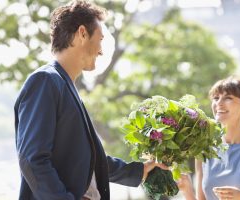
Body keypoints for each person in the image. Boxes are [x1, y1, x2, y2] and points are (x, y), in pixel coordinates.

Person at [14, 1, 167, 199]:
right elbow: (32, 159)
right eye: (100, 39)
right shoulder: (45, 81)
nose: (101, 50)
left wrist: (139, 171)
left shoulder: (64, 85)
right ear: (82, 33)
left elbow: (86, 160)